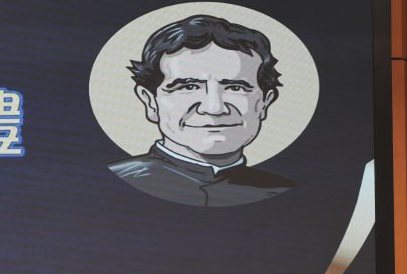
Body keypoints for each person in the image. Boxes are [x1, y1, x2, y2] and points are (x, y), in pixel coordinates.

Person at [107, 13, 294, 208]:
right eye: (188, 87)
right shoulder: (116, 183)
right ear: (150, 102)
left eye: (235, 88)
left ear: (264, 103)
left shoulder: (282, 191)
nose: (214, 108)